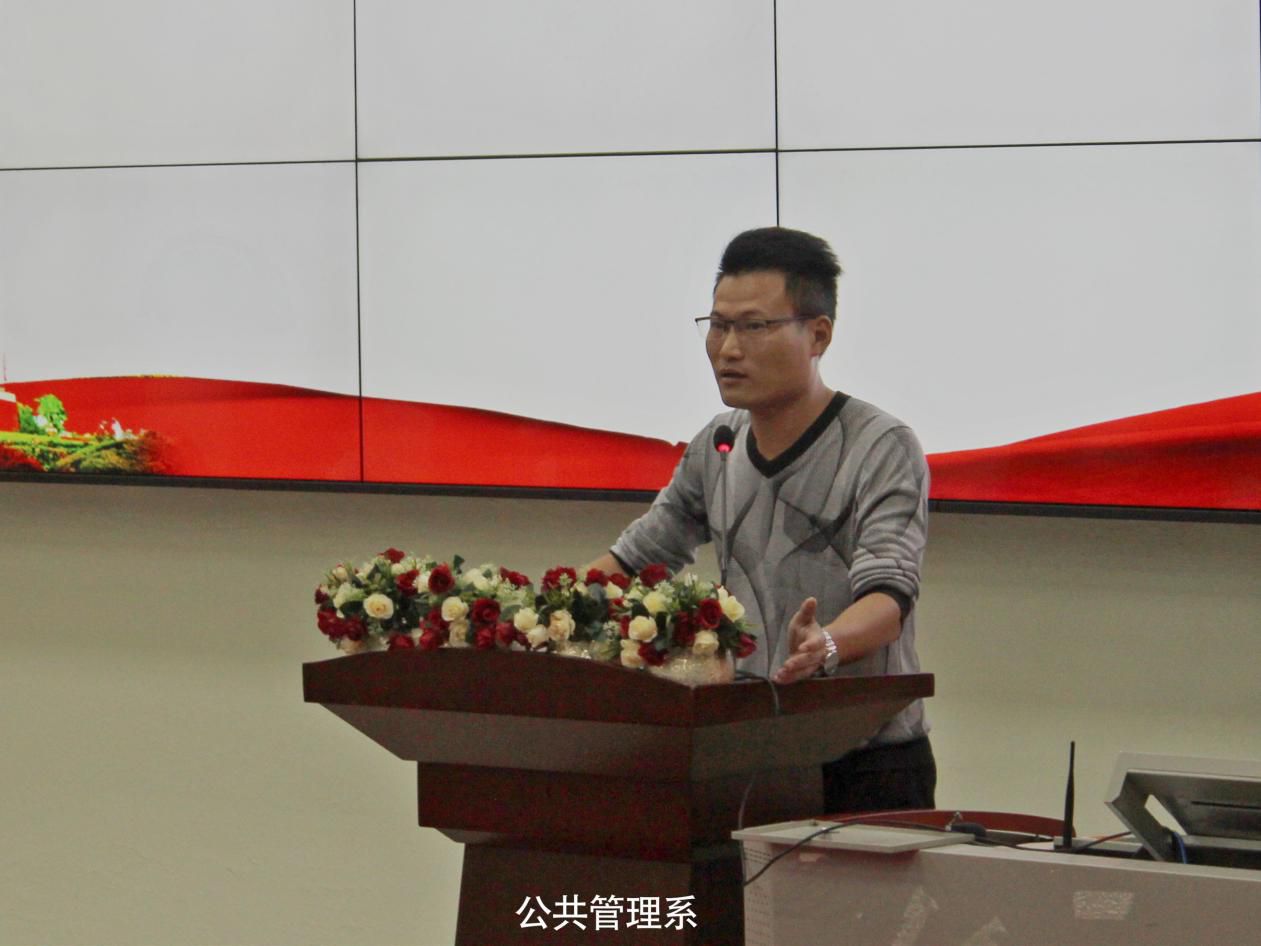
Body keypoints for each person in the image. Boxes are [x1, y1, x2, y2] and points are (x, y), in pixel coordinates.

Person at [583, 226, 935, 813]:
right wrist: (539, 614)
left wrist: (825, 644)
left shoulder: (879, 445)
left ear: (818, 334)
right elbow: (636, 557)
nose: (728, 349)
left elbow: (889, 597)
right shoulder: (717, 444)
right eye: (718, 325)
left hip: (868, 757)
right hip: (751, 753)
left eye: (754, 327)